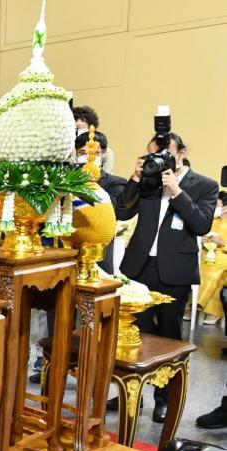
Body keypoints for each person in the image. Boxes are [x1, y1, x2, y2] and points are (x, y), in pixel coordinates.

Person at [114, 132, 218, 422]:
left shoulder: (205, 185)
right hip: (139, 267)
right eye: (151, 155)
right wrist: (136, 178)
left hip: (175, 271)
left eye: (163, 154)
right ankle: (130, 391)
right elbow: (122, 211)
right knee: (134, 333)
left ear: (181, 153)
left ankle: (163, 398)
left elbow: (201, 224)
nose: (156, 160)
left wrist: (176, 190)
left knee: (168, 336)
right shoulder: (147, 181)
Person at [74, 130, 126, 273]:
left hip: (98, 253)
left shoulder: (115, 183)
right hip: (68, 249)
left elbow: (112, 211)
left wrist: (88, 183)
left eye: (94, 153)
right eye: (82, 153)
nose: (87, 157)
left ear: (103, 153)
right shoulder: (66, 181)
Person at [195, 192, 227, 326]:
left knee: (214, 274)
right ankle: (193, 305)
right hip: (207, 254)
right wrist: (203, 240)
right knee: (194, 271)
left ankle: (206, 308)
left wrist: (223, 243)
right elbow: (202, 235)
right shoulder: (213, 221)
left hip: (224, 257)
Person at [73, 105, 115, 173]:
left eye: (79, 127)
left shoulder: (106, 153)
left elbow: (107, 176)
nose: (75, 131)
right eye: (73, 128)